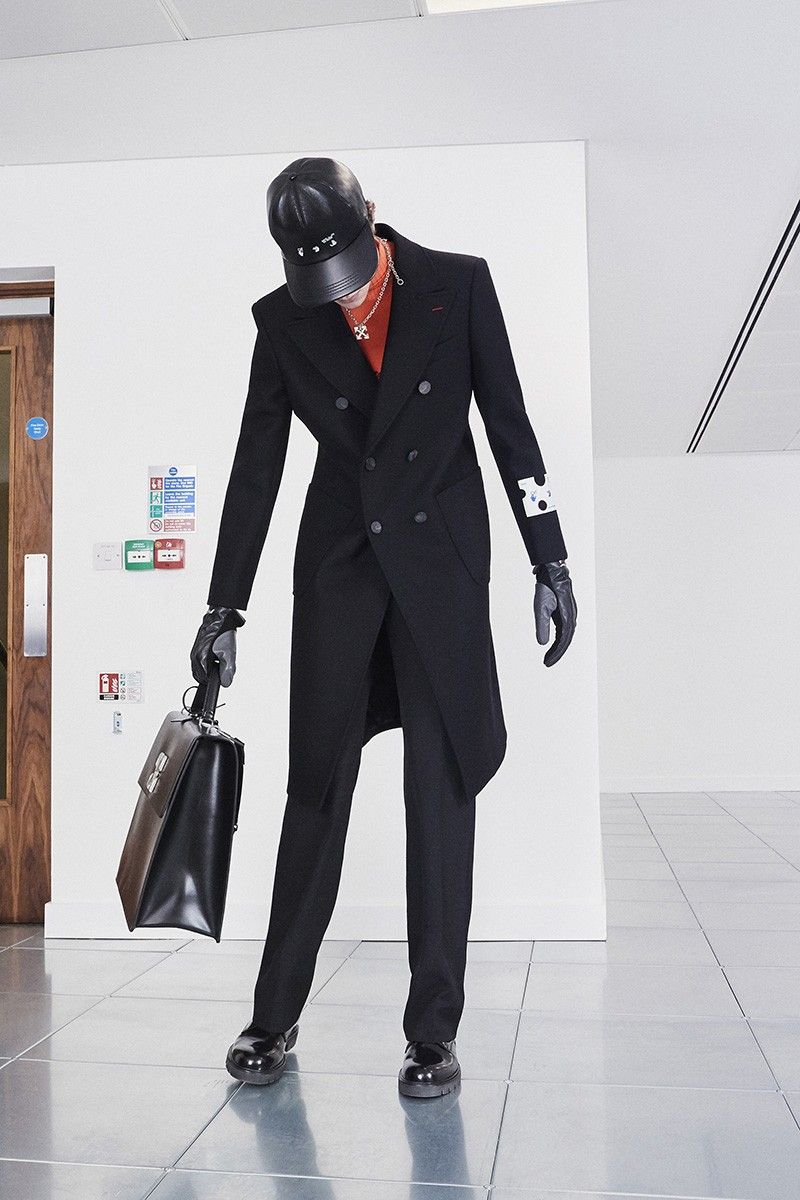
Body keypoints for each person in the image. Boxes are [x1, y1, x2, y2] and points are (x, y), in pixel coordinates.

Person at [191, 156, 577, 1098]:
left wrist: (550, 557)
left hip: (440, 570)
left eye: (347, 265)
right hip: (340, 573)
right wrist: (224, 604)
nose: (340, 290)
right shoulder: (282, 321)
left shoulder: (460, 285)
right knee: (315, 787)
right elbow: (256, 466)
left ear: (372, 214)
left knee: (439, 792)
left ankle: (432, 1034)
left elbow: (512, 427)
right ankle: (273, 1016)